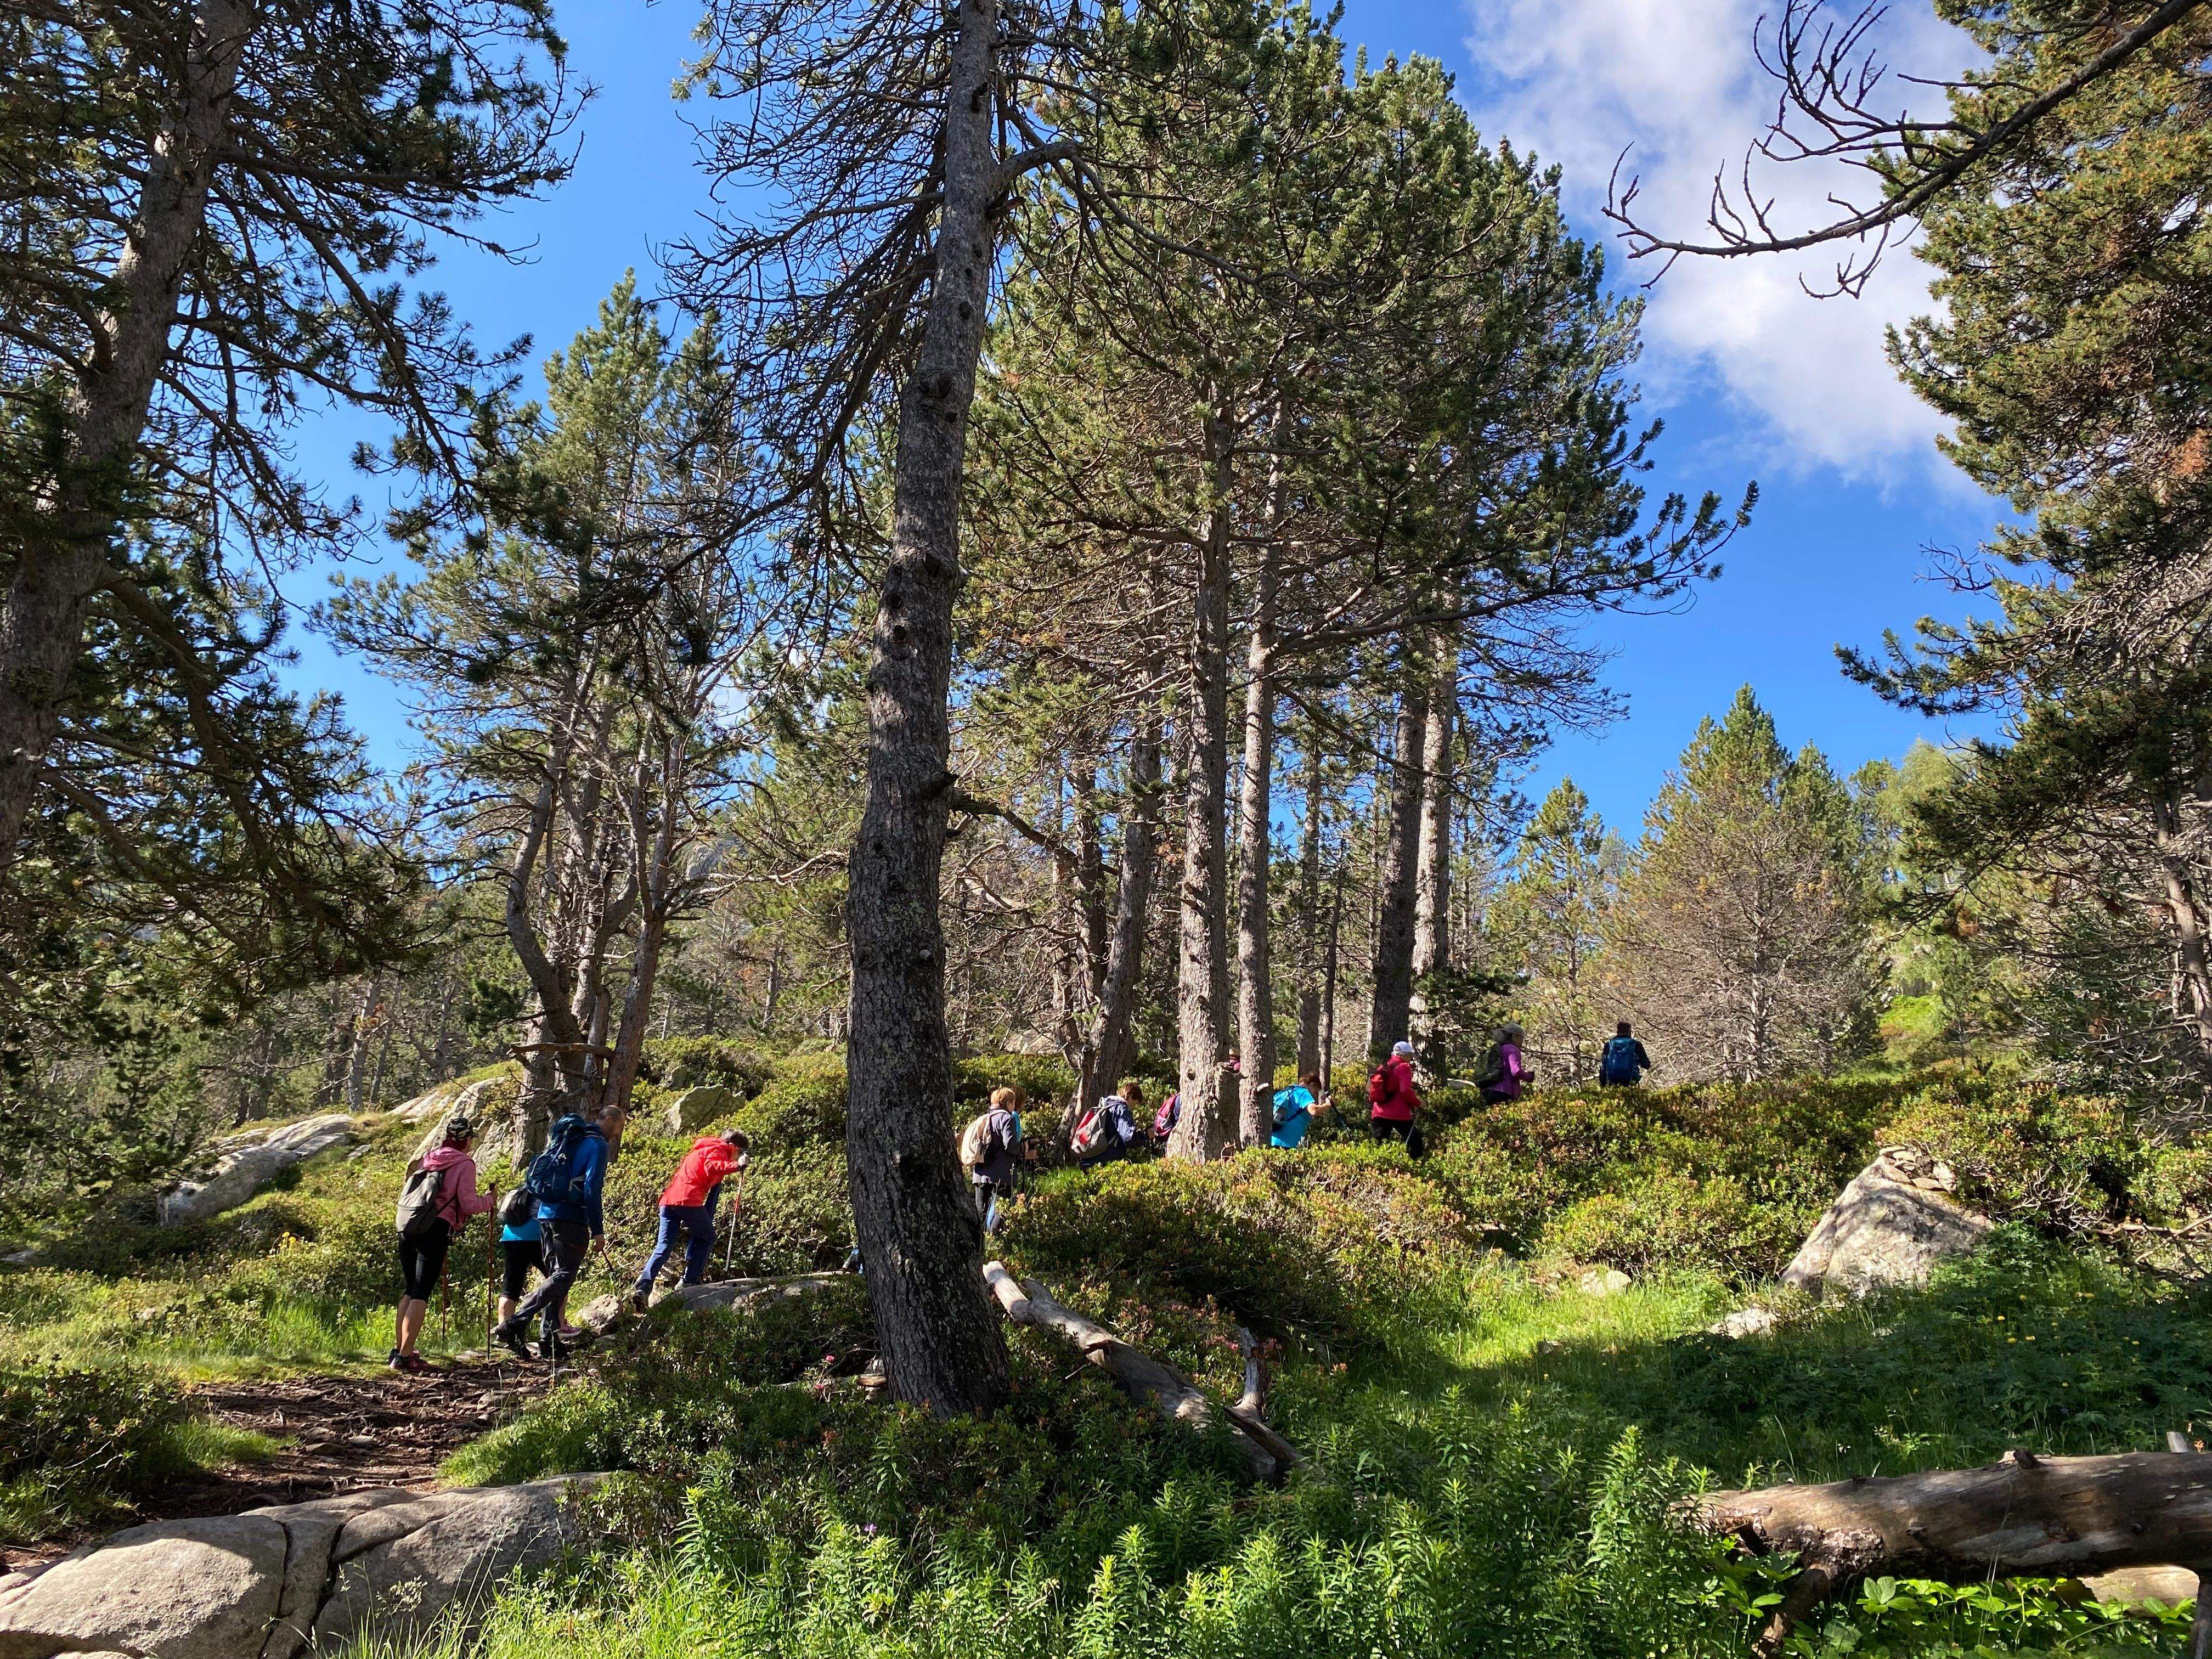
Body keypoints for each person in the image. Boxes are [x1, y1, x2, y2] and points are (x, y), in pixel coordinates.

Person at [493, 1098, 610, 1362]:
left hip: (546, 1217)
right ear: (610, 1121)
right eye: (621, 1125)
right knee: (562, 1277)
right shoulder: (597, 1145)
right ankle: (514, 1324)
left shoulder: (564, 1144)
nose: (619, 1132)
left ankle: (549, 1342)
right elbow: (592, 1189)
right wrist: (598, 1229)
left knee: (556, 1278)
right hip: (570, 1219)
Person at [392, 1114, 498, 1374]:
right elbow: (470, 1204)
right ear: (467, 1139)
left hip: (410, 1225)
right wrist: (490, 1200)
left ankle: (399, 1351)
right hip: (435, 1229)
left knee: (410, 1289)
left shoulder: (430, 1158)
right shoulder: (464, 1164)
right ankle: (406, 1358)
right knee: (421, 1292)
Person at [630, 1128, 751, 1311]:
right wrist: (737, 1166)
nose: (737, 1156)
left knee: (664, 1246)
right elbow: (712, 1166)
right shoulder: (718, 1148)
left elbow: (711, 1201)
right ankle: (688, 1283)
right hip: (687, 1200)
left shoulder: (702, 1151)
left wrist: (705, 1226)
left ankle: (643, 1286)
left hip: (669, 1201)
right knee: (708, 1238)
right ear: (733, 1146)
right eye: (740, 1152)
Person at [961, 1088, 1024, 1233]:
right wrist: (1023, 1148)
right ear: (1009, 1104)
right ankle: (996, 1241)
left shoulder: (985, 1118)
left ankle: (979, 1245)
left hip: (981, 1172)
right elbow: (1011, 1145)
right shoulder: (1008, 1119)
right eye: (1013, 1103)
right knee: (1000, 1208)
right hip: (1001, 1173)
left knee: (980, 1210)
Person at [1367, 1040, 1422, 1149]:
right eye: (1410, 1056)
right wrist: (1418, 1103)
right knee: (1416, 1144)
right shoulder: (1404, 1068)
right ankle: (1415, 1164)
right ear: (1405, 1056)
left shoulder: (1382, 1067)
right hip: (1400, 1114)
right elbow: (1405, 1090)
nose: (1411, 1059)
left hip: (1379, 1112)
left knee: (1377, 1147)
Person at [1477, 1023, 1531, 1105]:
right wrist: (1529, 1077)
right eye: (1521, 1038)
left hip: (1490, 1091)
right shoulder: (1512, 1049)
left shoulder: (1498, 1048)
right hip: (1505, 1092)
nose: (1522, 1042)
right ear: (1514, 1037)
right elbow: (1515, 1071)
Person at [1269, 1073, 1326, 1150]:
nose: (1314, 1095)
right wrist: (1328, 1105)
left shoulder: (1286, 1091)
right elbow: (1314, 1111)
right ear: (1313, 1085)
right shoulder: (1303, 1093)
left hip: (1273, 1141)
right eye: (1316, 1092)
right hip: (1290, 1143)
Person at [1599, 1022, 1652, 1088]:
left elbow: (1603, 1066)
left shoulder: (1609, 1045)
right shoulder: (1636, 1045)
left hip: (1613, 1081)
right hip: (1631, 1081)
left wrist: (1603, 1084)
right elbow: (1646, 1064)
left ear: (1617, 1032)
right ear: (1630, 1033)